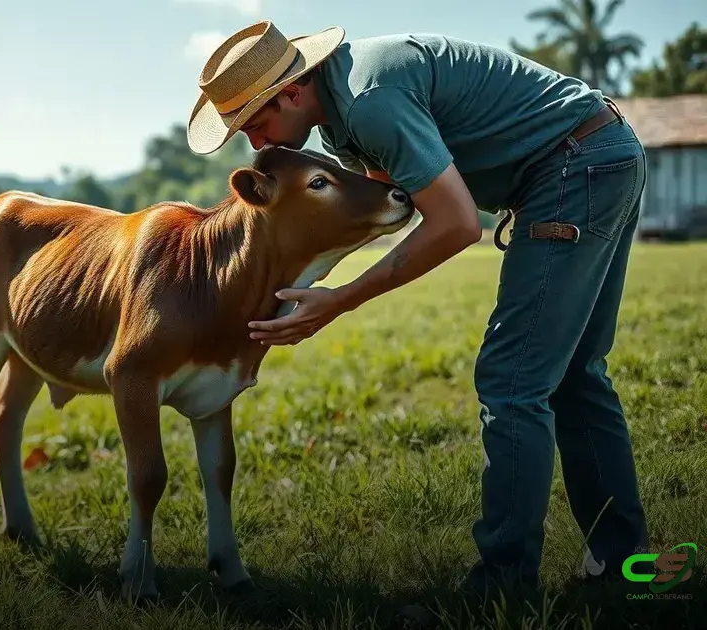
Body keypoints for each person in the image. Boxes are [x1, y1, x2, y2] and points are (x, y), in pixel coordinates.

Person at [187, 20, 649, 607]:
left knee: (513, 380)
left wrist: (342, 300)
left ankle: (502, 588)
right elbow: (392, 209)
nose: (256, 145)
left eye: (256, 122)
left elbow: (457, 224)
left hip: (573, 167)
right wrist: (292, 286)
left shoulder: (371, 99)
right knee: (575, 375)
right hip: (599, 153)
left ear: (293, 91)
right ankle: (626, 568)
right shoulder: (342, 123)